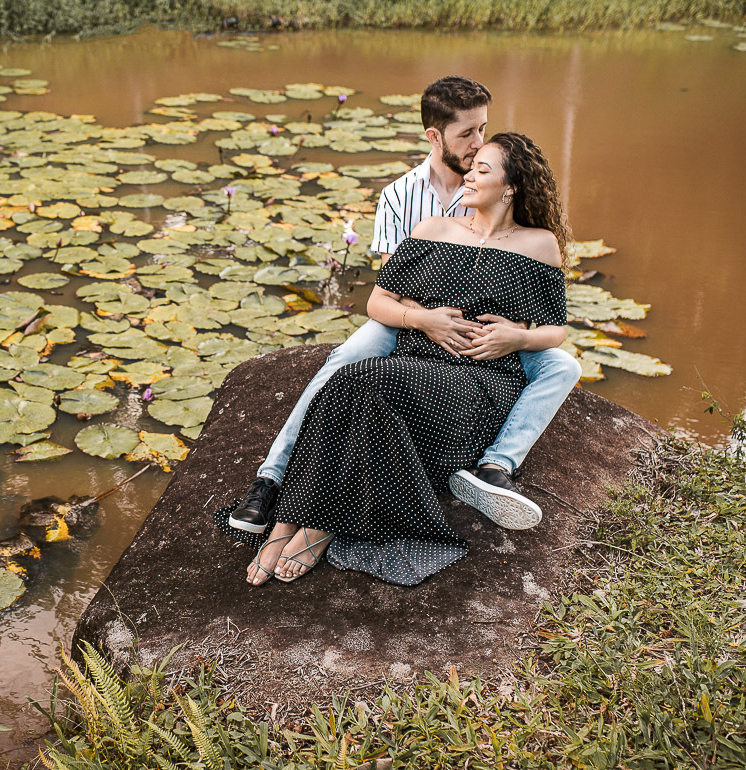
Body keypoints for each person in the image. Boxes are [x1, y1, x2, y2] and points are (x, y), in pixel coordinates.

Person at [227, 77, 581, 537]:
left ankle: (496, 466)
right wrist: (424, 320)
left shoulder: (508, 195)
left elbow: (545, 308)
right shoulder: (402, 197)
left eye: (482, 130)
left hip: (479, 333)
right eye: (466, 135)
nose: (477, 146)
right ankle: (271, 479)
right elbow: (387, 295)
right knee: (347, 360)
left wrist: (518, 336)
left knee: (562, 366)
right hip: (410, 317)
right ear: (435, 137)